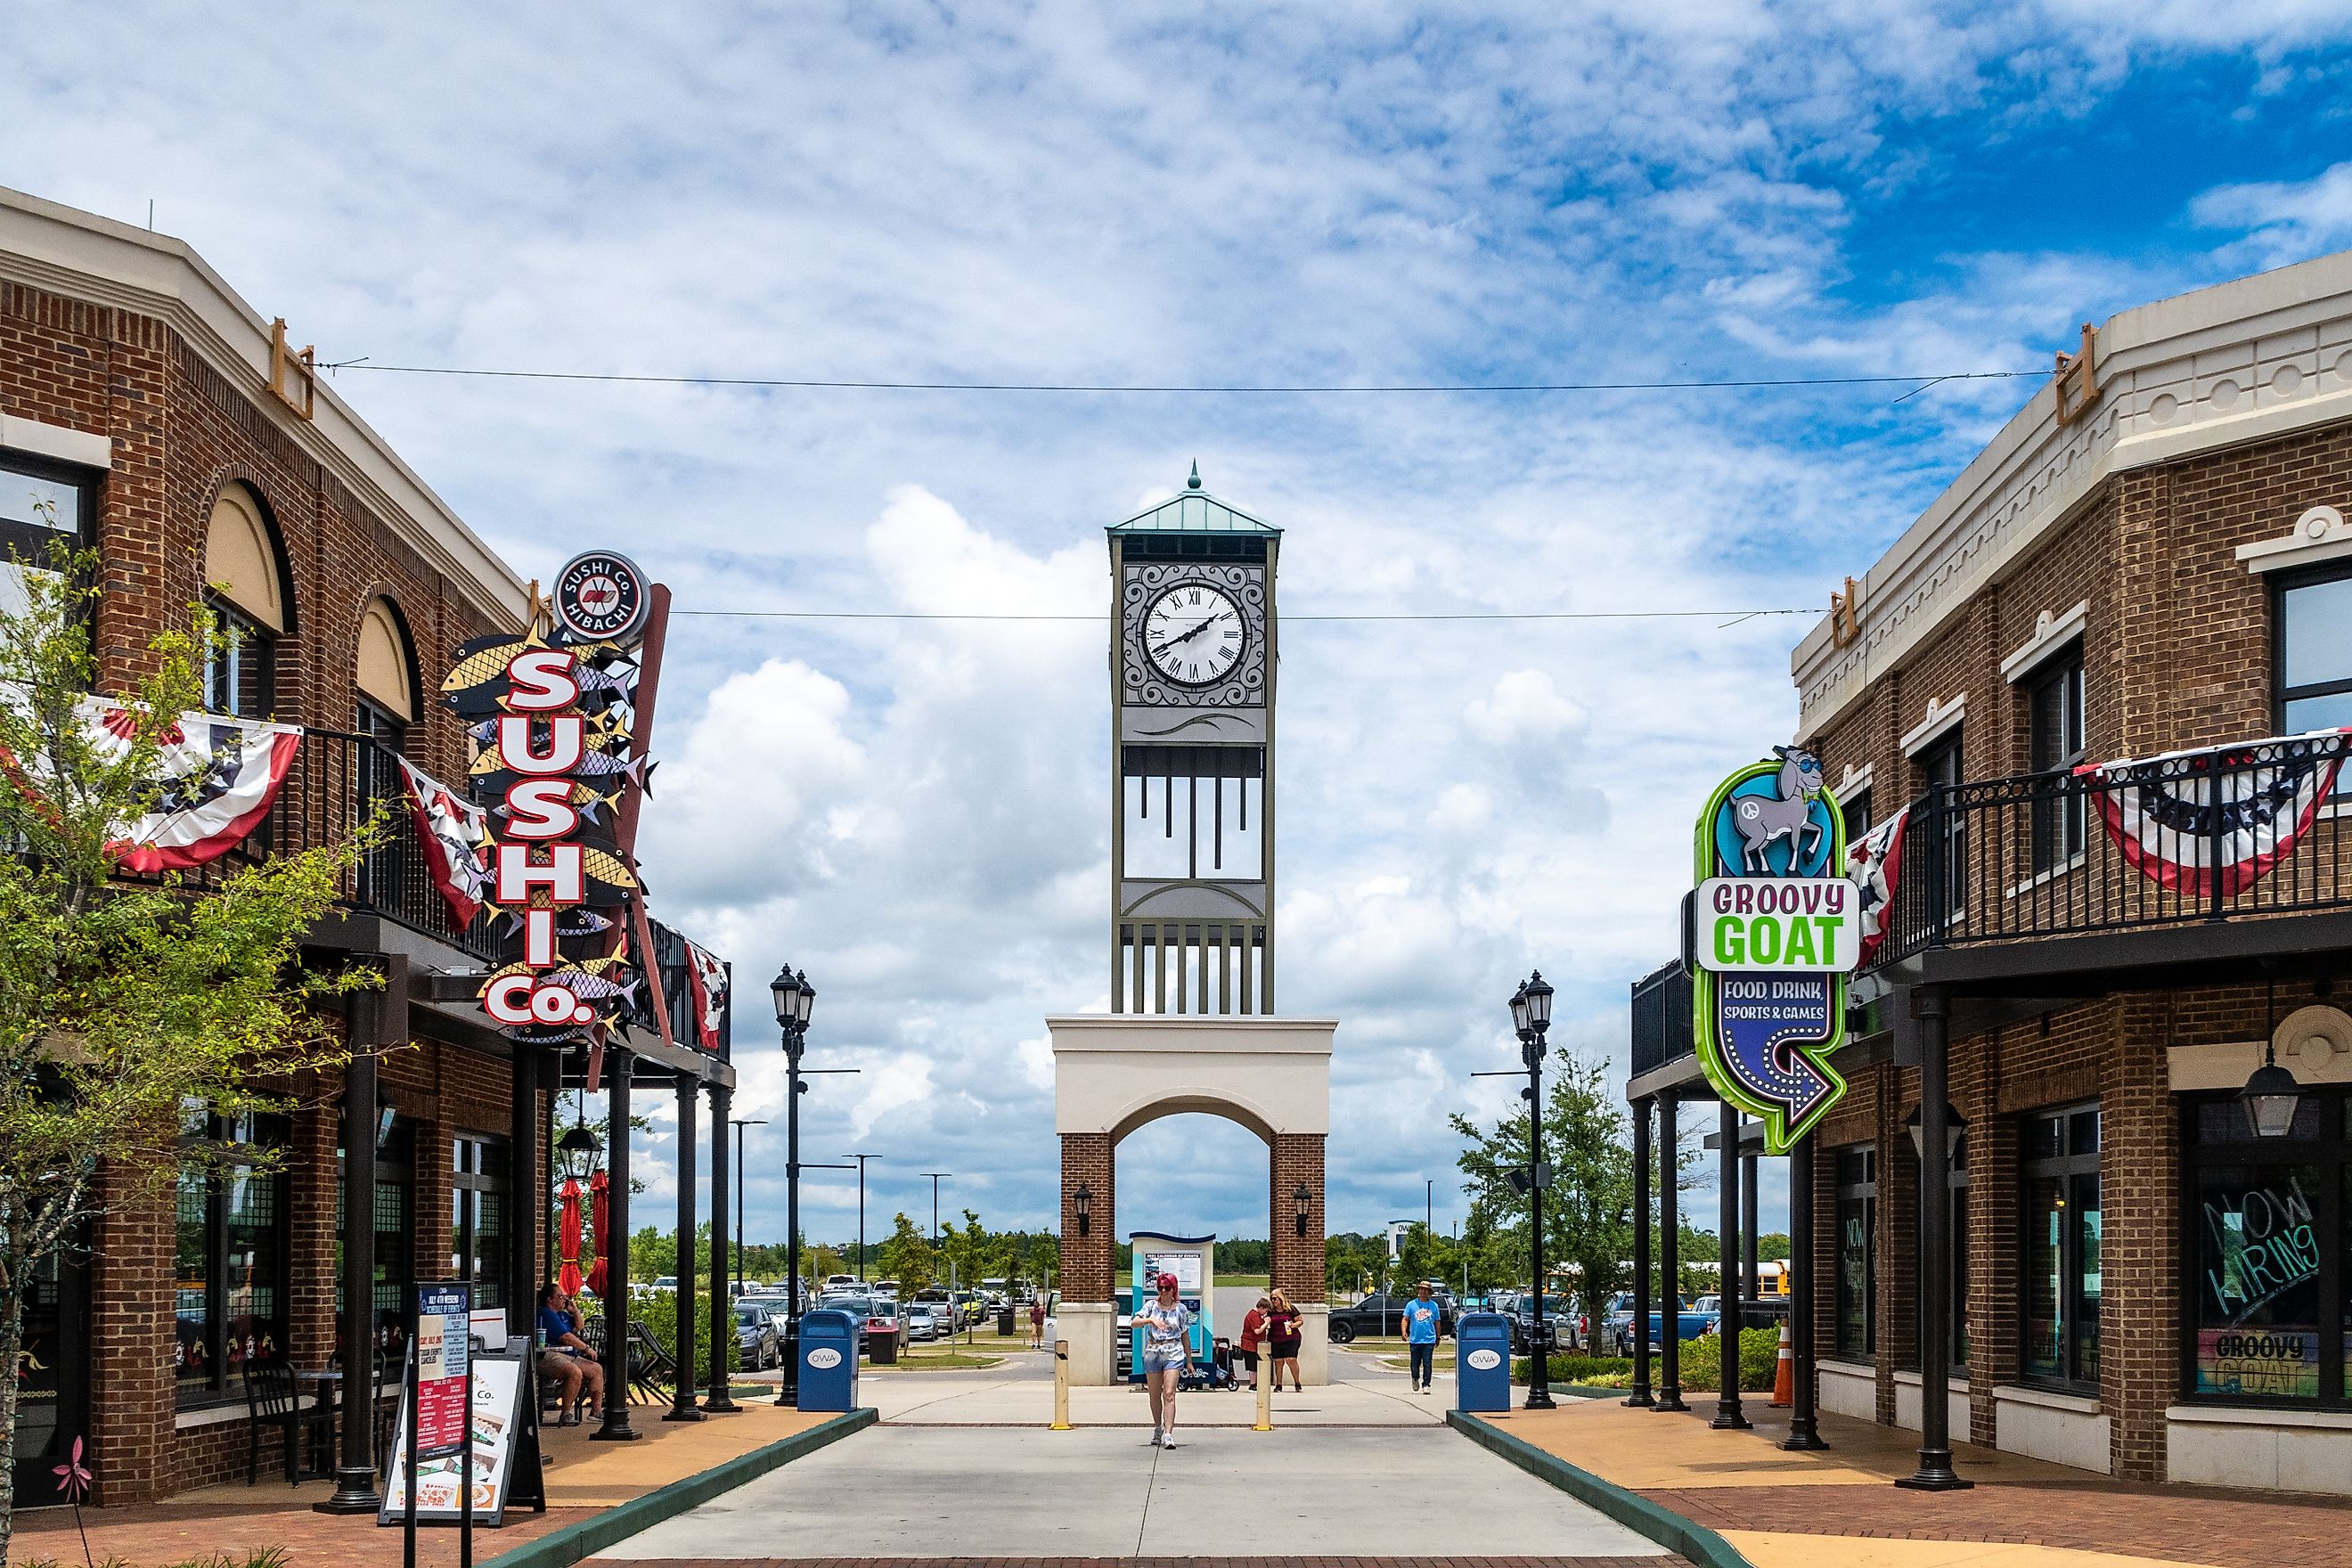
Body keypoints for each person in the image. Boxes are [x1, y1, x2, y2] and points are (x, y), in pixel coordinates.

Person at [1134, 1272, 1194, 1448]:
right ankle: (1157, 1427)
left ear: (1174, 1289)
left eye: (1167, 1288)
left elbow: (1185, 1335)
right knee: (1154, 1394)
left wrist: (1189, 1360)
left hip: (1173, 1351)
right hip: (1153, 1351)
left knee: (1169, 1393)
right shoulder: (1151, 1306)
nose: (1163, 1291)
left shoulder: (1181, 1309)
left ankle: (1169, 1433)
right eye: (1160, 1288)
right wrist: (1149, 1319)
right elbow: (1134, 1322)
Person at [536, 1282, 605, 1426]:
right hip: (548, 1354)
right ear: (550, 1299)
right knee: (574, 1372)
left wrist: (575, 1310)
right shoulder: (546, 1313)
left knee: (596, 1369)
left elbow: (578, 1327)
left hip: (567, 1354)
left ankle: (596, 1411)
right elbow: (565, 1337)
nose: (564, 1299)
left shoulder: (561, 1314)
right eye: (560, 1296)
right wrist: (586, 1348)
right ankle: (566, 1413)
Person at [1401, 1281, 1442, 1394]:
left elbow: (1437, 1322)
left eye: (1426, 1290)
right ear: (1418, 1290)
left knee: (1427, 1363)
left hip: (1429, 1339)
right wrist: (1404, 1331)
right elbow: (1405, 1319)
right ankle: (1415, 1378)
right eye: (1421, 1289)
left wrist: (1438, 1337)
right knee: (1415, 1363)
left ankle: (1426, 1384)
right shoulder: (1411, 1305)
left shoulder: (1434, 1306)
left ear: (1429, 1292)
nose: (1423, 1291)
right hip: (1415, 1339)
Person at [1266, 1288, 1303, 1392]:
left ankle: (1297, 1382)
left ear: (1280, 1298)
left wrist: (1293, 1325)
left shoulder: (1290, 1309)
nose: (1273, 1301)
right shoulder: (1271, 1311)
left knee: (1291, 1359)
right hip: (1275, 1338)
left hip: (1291, 1338)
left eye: (1274, 1299)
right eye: (1271, 1299)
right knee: (1278, 1361)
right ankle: (1279, 1384)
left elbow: (1300, 1320)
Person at [1237, 1296, 1268, 1392]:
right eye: (1265, 1310)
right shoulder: (1254, 1316)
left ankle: (1255, 1384)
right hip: (1250, 1344)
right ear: (1261, 1308)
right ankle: (1253, 1384)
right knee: (1253, 1365)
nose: (1266, 1313)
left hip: (1254, 1344)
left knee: (1255, 1364)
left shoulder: (1256, 1315)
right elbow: (1257, 1331)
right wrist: (1266, 1323)